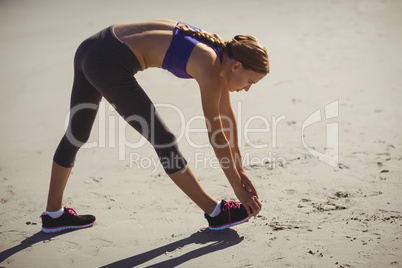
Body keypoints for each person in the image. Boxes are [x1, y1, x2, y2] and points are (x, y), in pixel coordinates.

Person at [41, 19, 269, 233]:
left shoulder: (219, 51)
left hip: (93, 46)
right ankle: (215, 212)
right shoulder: (208, 63)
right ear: (236, 66)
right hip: (109, 63)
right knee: (164, 140)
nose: (247, 89)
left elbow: (225, 115)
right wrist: (238, 190)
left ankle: (53, 215)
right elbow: (217, 133)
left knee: (77, 133)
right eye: (250, 82)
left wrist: (239, 170)